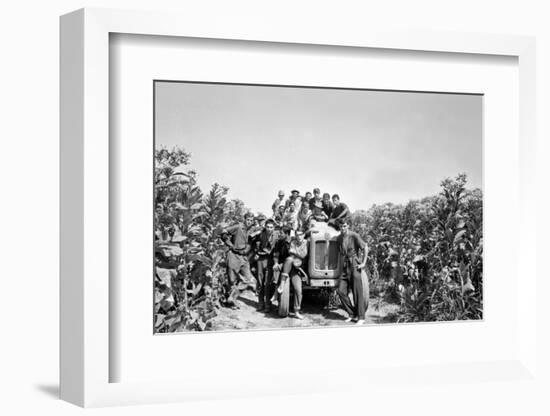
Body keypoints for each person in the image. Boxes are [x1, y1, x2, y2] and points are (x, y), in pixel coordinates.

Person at [220, 213, 257, 308]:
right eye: (248, 219)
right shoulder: (238, 227)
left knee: (248, 279)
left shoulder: (251, 230)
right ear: (244, 219)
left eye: (251, 220)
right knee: (232, 280)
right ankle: (231, 302)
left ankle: (232, 297)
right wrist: (230, 245)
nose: (249, 222)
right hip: (234, 255)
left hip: (243, 257)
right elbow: (224, 232)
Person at [336, 220, 368, 324]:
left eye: (344, 226)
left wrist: (363, 263)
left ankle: (361, 317)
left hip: (354, 263)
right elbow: (340, 253)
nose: (343, 228)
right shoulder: (339, 238)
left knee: (357, 291)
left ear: (348, 226)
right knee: (341, 290)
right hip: (345, 265)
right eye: (341, 226)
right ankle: (352, 313)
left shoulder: (354, 235)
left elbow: (365, 246)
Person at [276, 229, 308, 319]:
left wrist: (296, 253)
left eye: (301, 234)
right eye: (297, 235)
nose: (299, 237)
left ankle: (296, 311)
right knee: (289, 259)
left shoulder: (307, 242)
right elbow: (291, 252)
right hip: (291, 267)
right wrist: (297, 254)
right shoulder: (293, 242)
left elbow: (304, 255)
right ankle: (281, 285)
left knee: (298, 290)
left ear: (304, 234)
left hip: (299, 270)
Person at [253, 219, 279, 312]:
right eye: (267, 227)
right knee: (260, 281)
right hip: (261, 258)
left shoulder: (277, 235)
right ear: (265, 227)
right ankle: (260, 303)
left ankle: (268, 304)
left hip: (270, 259)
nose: (269, 229)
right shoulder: (260, 234)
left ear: (274, 227)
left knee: (268, 283)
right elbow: (253, 242)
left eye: (271, 227)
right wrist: (255, 253)